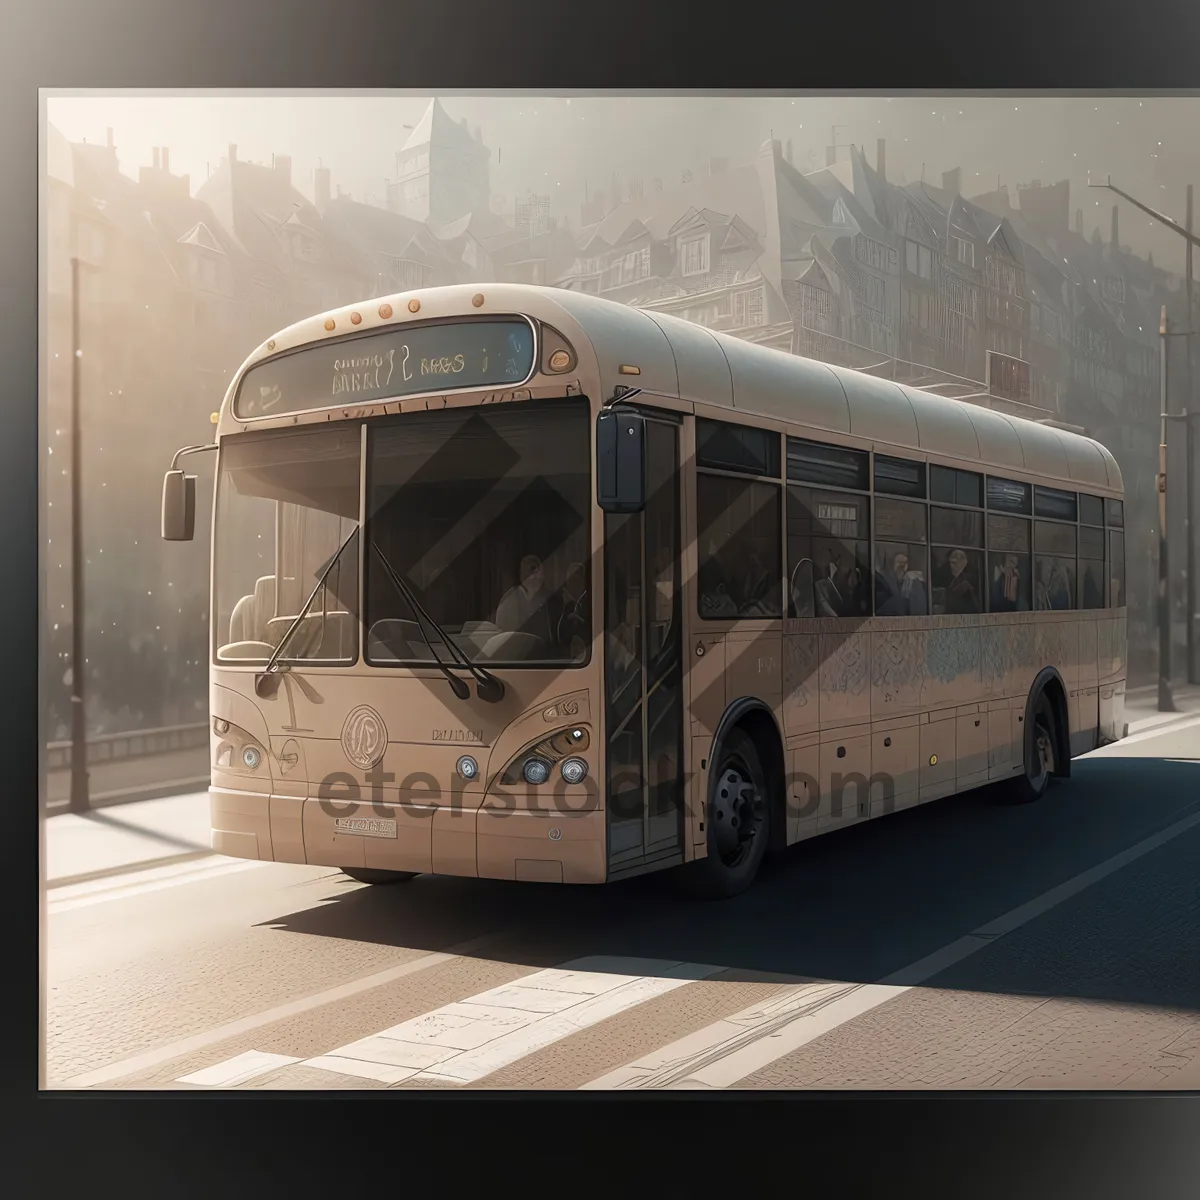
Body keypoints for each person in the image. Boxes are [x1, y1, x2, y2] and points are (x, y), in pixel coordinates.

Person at [495, 554, 554, 643]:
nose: (534, 576)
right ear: (521, 574)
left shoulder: (549, 599)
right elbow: (503, 635)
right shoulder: (509, 600)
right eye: (530, 571)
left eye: (538, 570)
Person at [875, 550, 927, 616]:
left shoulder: (913, 583)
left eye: (905, 562)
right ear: (892, 566)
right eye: (899, 562)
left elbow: (919, 611)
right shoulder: (886, 584)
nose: (902, 565)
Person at [943, 547, 980, 614]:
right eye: (950, 563)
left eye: (954, 563)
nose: (951, 566)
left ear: (963, 563)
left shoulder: (967, 582)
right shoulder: (953, 579)